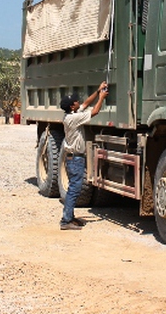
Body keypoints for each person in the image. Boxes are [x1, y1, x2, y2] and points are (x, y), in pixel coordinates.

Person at [59, 81, 108, 231]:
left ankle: (70, 217)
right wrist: (102, 98)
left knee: (73, 187)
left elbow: (86, 104)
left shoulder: (71, 114)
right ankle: (66, 220)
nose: (78, 101)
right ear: (72, 106)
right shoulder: (73, 119)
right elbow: (94, 112)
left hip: (72, 157)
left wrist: (97, 90)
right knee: (75, 188)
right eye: (75, 101)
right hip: (75, 158)